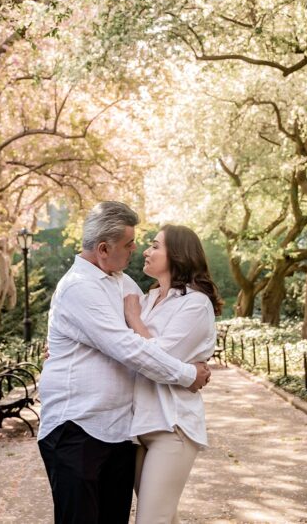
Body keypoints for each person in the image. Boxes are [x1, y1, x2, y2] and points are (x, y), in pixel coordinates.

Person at [37, 202, 211, 524]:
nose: (137, 249)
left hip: (121, 434)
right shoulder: (78, 288)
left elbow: (150, 339)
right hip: (77, 428)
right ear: (103, 249)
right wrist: (188, 374)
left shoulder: (127, 285)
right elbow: (127, 347)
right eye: (129, 244)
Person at [123, 225, 221, 524]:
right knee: (165, 518)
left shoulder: (195, 303)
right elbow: (114, 341)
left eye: (155, 246)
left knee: (151, 520)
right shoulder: (148, 297)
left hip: (172, 428)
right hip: (138, 428)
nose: (146, 251)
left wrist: (135, 321)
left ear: (177, 255)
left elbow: (160, 360)